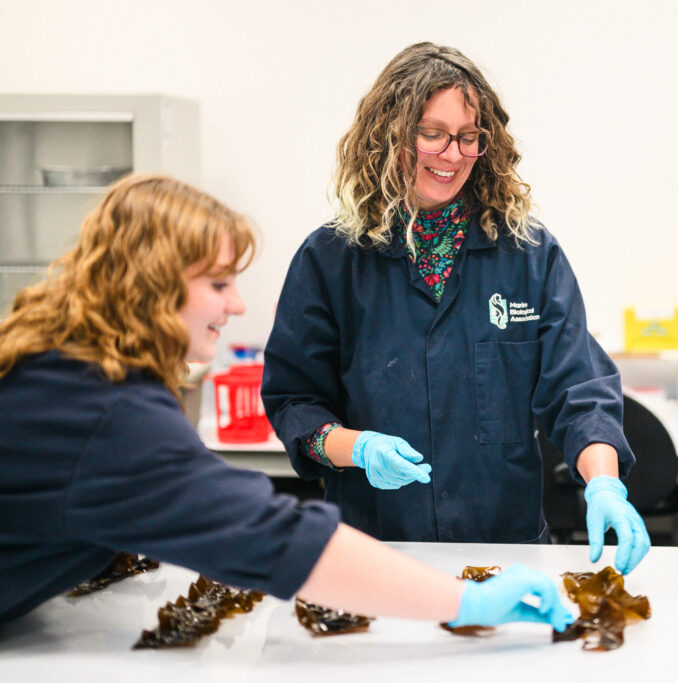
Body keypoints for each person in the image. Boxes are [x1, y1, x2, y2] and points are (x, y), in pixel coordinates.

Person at [0, 174, 573, 633]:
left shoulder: (61, 366)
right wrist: (468, 603)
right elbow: (273, 537)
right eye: (220, 284)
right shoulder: (104, 412)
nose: (238, 303)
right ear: (150, 284)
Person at [261, 42, 650, 574]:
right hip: (376, 553)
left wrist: (604, 482)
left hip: (504, 549)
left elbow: (578, 389)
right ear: (388, 135)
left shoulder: (528, 254)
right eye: (432, 133)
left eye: (469, 138)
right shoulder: (331, 259)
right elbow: (294, 400)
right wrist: (356, 447)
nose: (452, 154)